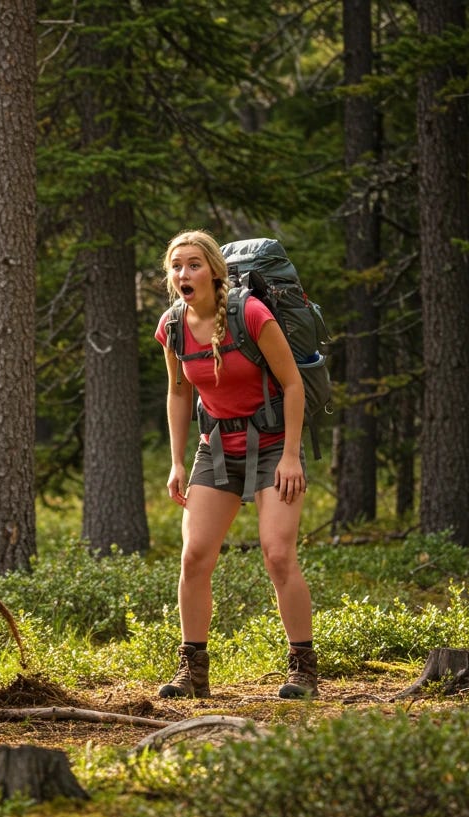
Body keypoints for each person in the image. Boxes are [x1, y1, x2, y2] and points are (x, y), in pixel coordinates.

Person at [152, 230, 317, 699]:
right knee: (194, 557)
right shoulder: (173, 326)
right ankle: (193, 670)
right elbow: (179, 391)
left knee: (278, 554)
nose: (184, 273)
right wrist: (177, 462)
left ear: (214, 272)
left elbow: (293, 384)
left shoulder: (251, 313)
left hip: (272, 445)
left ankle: (303, 668)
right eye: (177, 266)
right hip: (217, 447)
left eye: (194, 265)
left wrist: (289, 456)